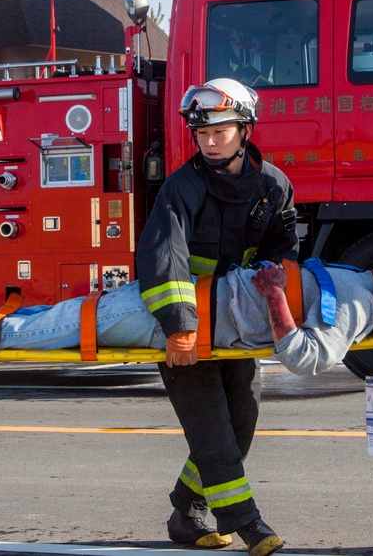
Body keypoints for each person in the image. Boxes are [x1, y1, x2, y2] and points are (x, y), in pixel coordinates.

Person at [136, 78, 298, 556]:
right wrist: (180, 328)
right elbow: (162, 260)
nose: (208, 142)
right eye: (200, 133)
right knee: (210, 427)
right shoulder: (181, 188)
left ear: (245, 129)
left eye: (220, 132)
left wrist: (278, 311)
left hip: (235, 325)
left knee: (240, 421)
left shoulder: (274, 186)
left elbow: (283, 257)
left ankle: (186, 511)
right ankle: (248, 524)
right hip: (184, 329)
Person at [0, 250, 373, 372]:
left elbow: (307, 358)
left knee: (67, 325)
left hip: (184, 318)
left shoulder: (359, 305)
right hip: (183, 300)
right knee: (68, 315)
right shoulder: (357, 279)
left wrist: (275, 295)